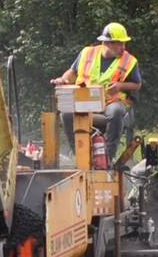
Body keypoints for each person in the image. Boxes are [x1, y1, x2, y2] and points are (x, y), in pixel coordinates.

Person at [51, 22, 140, 167]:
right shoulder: (87, 53)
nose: (123, 47)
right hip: (84, 102)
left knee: (116, 111)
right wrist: (63, 80)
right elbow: (72, 72)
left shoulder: (129, 61)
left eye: (124, 43)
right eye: (119, 43)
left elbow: (137, 84)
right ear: (107, 43)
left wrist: (119, 86)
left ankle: (107, 158)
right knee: (66, 114)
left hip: (110, 103)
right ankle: (79, 155)